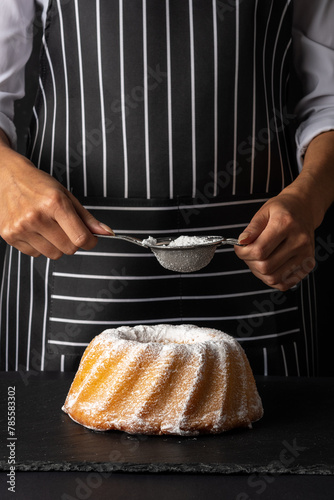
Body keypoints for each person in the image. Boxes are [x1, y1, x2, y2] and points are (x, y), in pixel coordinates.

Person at [0, 0, 334, 375]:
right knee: (50, 430)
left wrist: (311, 197)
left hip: (259, 265)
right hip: (74, 265)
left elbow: (329, 103)